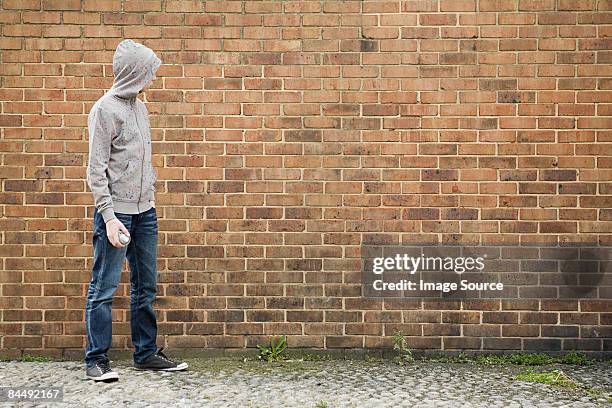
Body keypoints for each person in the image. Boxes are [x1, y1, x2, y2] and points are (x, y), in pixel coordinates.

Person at [84, 39, 187, 382]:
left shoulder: (141, 108)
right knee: (104, 288)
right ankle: (96, 360)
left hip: (146, 213)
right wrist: (110, 218)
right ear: (134, 73)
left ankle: (145, 354)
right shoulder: (104, 110)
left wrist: (151, 195)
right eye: (148, 72)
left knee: (146, 288)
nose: (152, 79)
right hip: (117, 214)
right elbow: (95, 171)